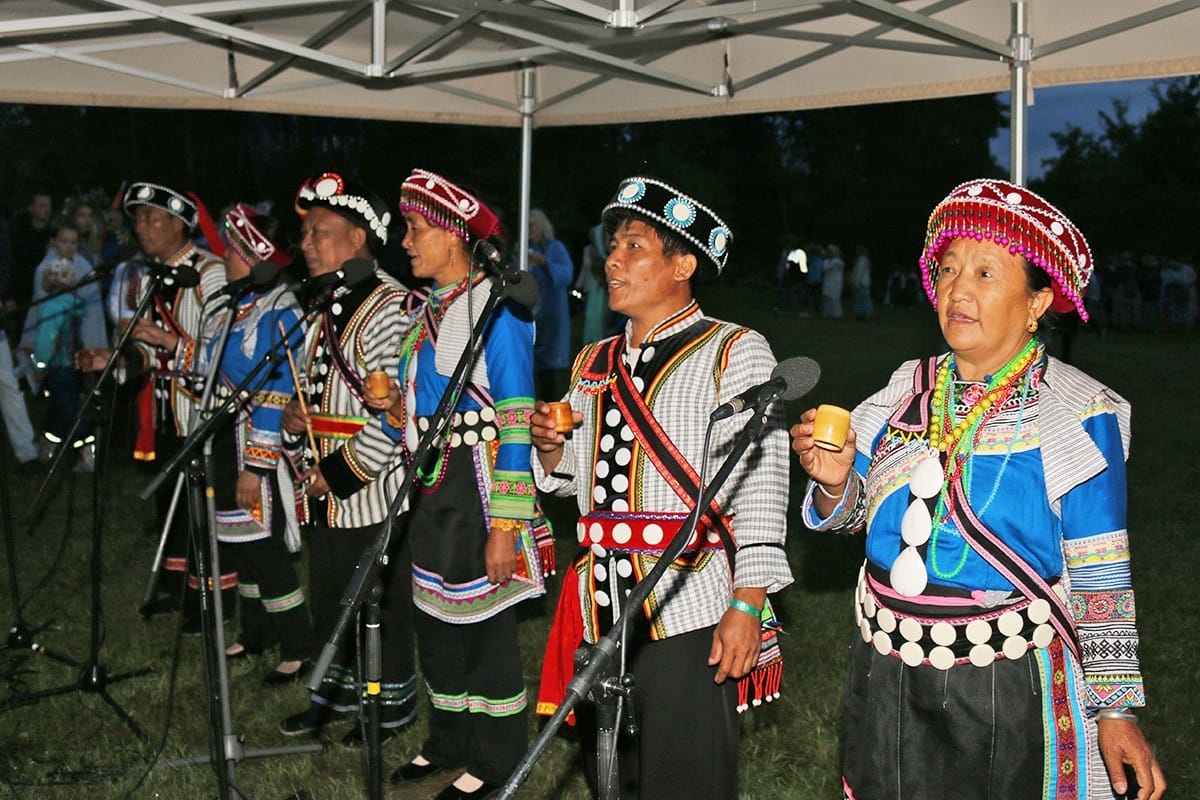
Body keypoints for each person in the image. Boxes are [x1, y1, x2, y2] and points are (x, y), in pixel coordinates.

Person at [791, 178, 1165, 800]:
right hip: (886, 671)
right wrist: (834, 486)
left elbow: (1102, 572)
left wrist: (1117, 711)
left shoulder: (1076, 410)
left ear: (1038, 302)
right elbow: (851, 512)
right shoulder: (903, 390)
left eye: (986, 274)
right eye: (949, 269)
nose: (958, 289)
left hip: (1008, 690)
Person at [531, 176, 792, 800]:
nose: (613, 259)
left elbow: (762, 485)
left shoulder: (736, 350)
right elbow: (576, 481)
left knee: (685, 779)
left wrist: (748, 603)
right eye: (611, 245)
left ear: (683, 264)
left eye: (634, 246)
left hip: (690, 607)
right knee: (613, 775)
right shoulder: (592, 362)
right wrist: (552, 448)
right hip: (600, 606)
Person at [364, 168, 554, 799]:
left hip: (477, 495)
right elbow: (426, 409)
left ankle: (496, 760)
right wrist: (395, 406)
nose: (406, 241)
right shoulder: (428, 313)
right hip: (430, 491)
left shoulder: (495, 313)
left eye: (416, 229)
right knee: (437, 627)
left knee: (484, 634)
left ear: (453, 235)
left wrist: (506, 525)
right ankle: (449, 739)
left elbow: (517, 421)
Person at [277, 172, 418, 745]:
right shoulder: (325, 302)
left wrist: (332, 476)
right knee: (333, 590)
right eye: (305, 233)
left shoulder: (389, 306)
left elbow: (392, 413)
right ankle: (331, 694)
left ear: (359, 239)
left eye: (320, 233)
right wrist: (295, 412)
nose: (306, 244)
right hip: (326, 484)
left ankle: (388, 710)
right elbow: (320, 383)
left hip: (368, 484)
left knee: (374, 602)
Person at [76, 181, 230, 624]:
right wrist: (112, 359)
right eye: (138, 218)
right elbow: (144, 351)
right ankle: (178, 589)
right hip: (165, 412)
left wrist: (166, 341)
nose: (142, 227)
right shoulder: (148, 275)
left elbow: (220, 351)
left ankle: (209, 603)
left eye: (151, 217)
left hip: (202, 412)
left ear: (180, 224)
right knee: (173, 504)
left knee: (203, 511)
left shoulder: (210, 273)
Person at [203, 204, 315, 686]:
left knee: (264, 551)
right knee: (241, 546)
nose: (223, 256)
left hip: (257, 447)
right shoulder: (234, 305)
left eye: (232, 250)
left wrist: (256, 466)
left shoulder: (280, 312)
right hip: (226, 440)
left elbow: (276, 390)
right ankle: (256, 631)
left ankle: (297, 645)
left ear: (252, 257)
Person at [31, 258, 91, 469]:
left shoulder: (52, 307)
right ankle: (47, 447)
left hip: (58, 366)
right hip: (74, 365)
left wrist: (39, 365)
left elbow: (46, 339)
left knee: (69, 409)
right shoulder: (74, 305)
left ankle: (85, 453)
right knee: (60, 406)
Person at [527, 208, 574, 401]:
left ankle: (551, 405)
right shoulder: (525, 248)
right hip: (531, 313)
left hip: (551, 313)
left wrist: (544, 263)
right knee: (530, 362)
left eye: (532, 226)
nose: (529, 230)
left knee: (548, 367)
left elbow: (565, 274)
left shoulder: (555, 248)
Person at [574, 222, 610, 346]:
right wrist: (579, 286)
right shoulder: (589, 252)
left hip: (603, 291)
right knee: (591, 317)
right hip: (592, 289)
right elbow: (585, 269)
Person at [850, 244, 873, 320]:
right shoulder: (865, 260)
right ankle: (865, 314)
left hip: (861, 283)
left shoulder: (861, 261)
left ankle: (860, 314)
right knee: (864, 299)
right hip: (865, 283)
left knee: (859, 299)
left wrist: (856, 284)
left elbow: (859, 273)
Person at [821, 243, 844, 318]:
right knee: (827, 297)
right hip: (828, 281)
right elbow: (825, 269)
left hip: (835, 281)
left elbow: (827, 268)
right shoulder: (827, 261)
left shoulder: (838, 261)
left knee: (835, 297)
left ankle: (836, 314)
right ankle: (828, 313)